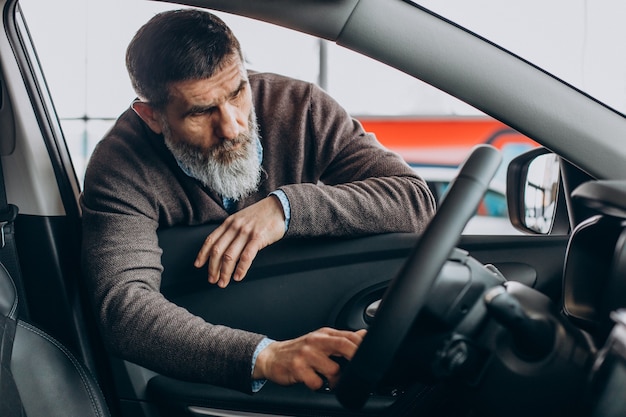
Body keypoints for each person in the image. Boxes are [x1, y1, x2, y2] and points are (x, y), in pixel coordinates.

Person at [80, 8, 436, 394]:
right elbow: (124, 309)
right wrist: (265, 357)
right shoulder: (119, 166)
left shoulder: (300, 107)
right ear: (150, 116)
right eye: (201, 112)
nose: (232, 126)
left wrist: (285, 209)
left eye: (237, 93)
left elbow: (413, 199)